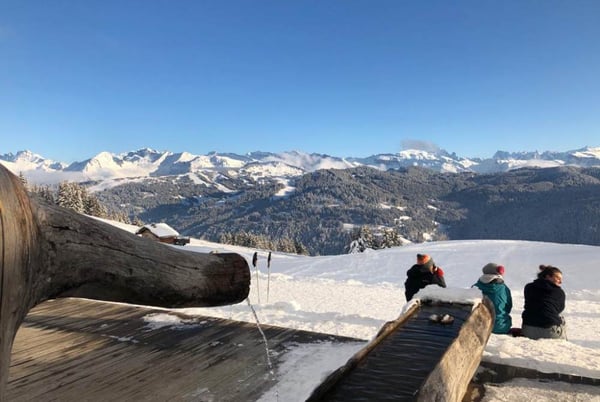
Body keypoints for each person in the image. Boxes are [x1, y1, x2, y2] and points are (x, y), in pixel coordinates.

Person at [521, 265, 566, 340]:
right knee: (560, 317)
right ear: (548, 276)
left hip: (527, 329)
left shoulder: (528, 287)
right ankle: (563, 342)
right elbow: (560, 309)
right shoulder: (559, 292)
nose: (560, 282)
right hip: (548, 332)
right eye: (558, 278)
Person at [473, 263, 512, 334]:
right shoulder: (504, 288)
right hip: (500, 327)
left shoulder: (475, 287)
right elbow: (508, 307)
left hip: (479, 326)